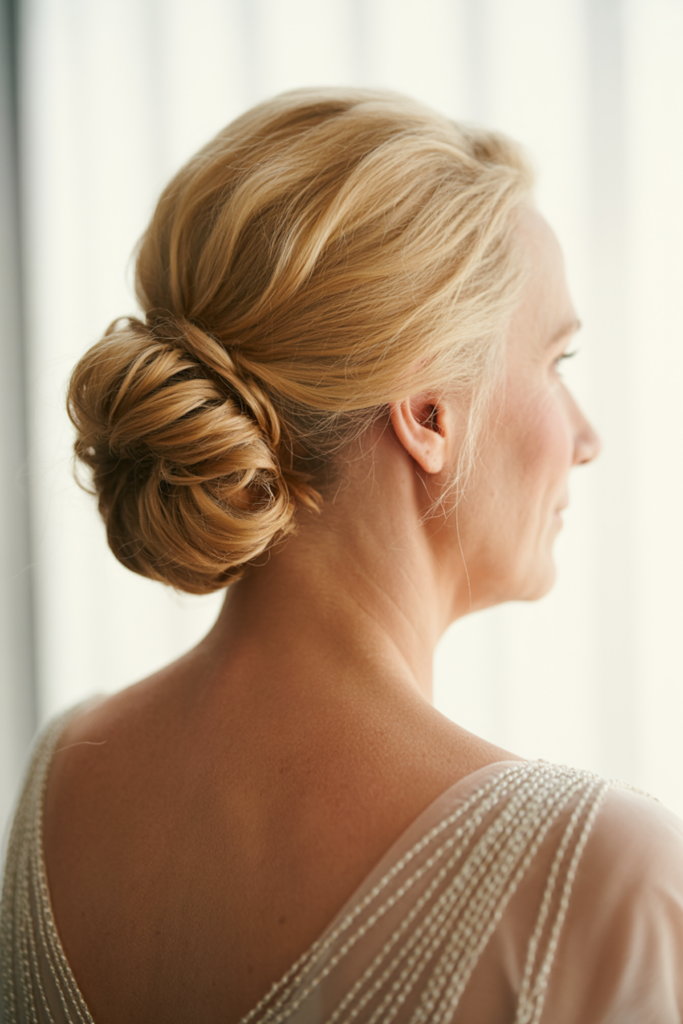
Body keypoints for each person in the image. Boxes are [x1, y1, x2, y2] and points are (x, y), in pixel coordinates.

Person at [1, 88, 682, 1024]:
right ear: (428, 413)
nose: (585, 436)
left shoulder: (60, 784)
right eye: (556, 363)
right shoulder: (593, 873)